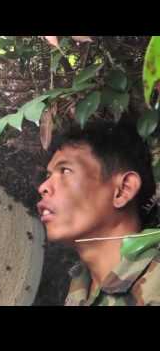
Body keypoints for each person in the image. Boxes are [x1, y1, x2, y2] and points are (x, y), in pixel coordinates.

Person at [37, 118, 160, 306]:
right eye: (48, 176)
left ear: (123, 190)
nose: (43, 187)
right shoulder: (77, 292)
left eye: (65, 171)